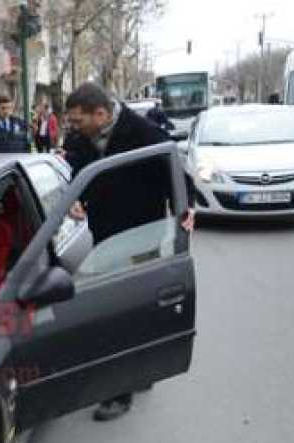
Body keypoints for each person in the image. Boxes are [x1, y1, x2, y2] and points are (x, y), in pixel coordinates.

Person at [62, 82, 195, 422]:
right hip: (105, 236)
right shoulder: (81, 136)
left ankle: (119, 391)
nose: (73, 128)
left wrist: (188, 208)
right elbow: (76, 168)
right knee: (116, 310)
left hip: (141, 238)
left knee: (126, 310)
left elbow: (174, 176)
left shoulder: (143, 133)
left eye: (78, 121)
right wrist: (76, 196)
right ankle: (138, 370)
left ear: (101, 114)